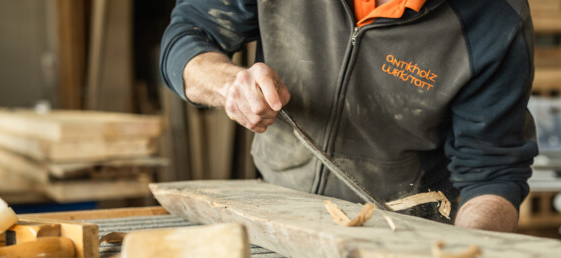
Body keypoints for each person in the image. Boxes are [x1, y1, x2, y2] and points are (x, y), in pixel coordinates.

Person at [161, 0, 538, 232]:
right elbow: (187, 38)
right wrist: (230, 85)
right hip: (275, 215)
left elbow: (492, 174)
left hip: (405, 237)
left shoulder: (496, 19)